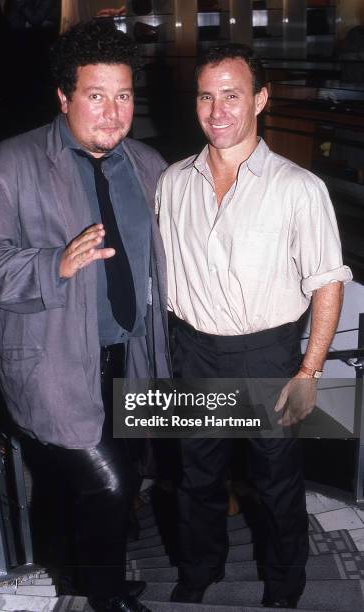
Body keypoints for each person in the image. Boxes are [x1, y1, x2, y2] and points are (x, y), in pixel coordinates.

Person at [0, 20, 170, 612]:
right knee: (107, 482)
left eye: (122, 95)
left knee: (107, 480)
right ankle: (102, 598)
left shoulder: (147, 165)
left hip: (132, 357)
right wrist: (55, 264)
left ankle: (75, 576)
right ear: (64, 96)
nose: (112, 111)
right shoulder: (9, 164)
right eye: (95, 95)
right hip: (53, 361)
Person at [157, 43, 352, 609]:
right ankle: (198, 574)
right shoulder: (173, 183)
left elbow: (327, 283)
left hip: (268, 354)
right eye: (206, 96)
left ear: (260, 100)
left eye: (233, 96)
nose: (218, 111)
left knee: (276, 484)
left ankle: (285, 590)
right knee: (195, 479)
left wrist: (310, 369)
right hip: (193, 352)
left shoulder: (298, 188)